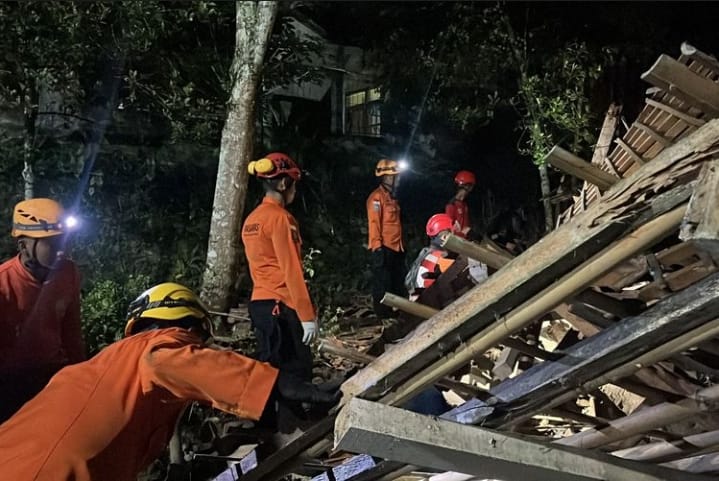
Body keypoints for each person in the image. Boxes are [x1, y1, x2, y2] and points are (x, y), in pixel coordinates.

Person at [0, 282, 337, 481]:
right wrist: (275, 384)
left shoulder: (107, 368)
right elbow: (170, 362)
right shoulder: (155, 346)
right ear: (188, 325)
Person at [0, 197, 85, 423]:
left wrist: (82, 377)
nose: (62, 251)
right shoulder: (3, 284)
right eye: (53, 243)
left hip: (53, 374)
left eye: (65, 241)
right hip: (9, 383)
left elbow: (72, 334)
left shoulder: (68, 273)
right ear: (23, 246)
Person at [242, 152, 317, 383]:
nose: (295, 190)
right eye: (293, 184)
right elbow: (291, 269)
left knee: (271, 375)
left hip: (260, 306)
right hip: (282, 306)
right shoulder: (281, 219)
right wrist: (307, 316)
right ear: (284, 183)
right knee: (297, 374)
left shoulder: (251, 220)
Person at [367, 159, 406, 318]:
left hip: (397, 247)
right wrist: (377, 247)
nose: (398, 179)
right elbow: (374, 223)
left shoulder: (392, 198)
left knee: (397, 282)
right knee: (382, 284)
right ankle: (383, 316)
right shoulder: (376, 198)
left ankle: (398, 313)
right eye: (395, 176)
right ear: (387, 178)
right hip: (384, 248)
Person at [405, 213, 458, 301]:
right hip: (433, 301)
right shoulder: (441, 257)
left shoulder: (426, 253)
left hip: (420, 298)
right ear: (444, 237)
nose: (455, 236)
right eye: (452, 233)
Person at [445, 170, 476, 238]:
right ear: (466, 186)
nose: (471, 189)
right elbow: (449, 229)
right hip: (456, 241)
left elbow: (465, 227)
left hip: (464, 240)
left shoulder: (464, 205)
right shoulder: (452, 205)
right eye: (471, 186)